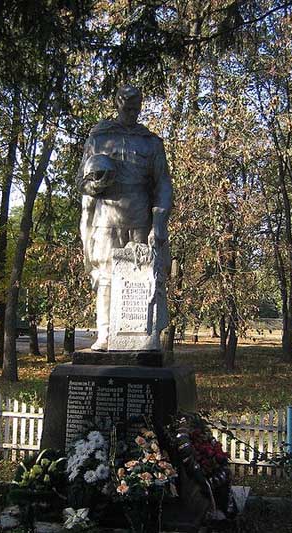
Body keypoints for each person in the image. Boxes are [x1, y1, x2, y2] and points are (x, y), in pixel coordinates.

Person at [76, 85, 172, 350]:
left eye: (136, 107)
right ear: (117, 103)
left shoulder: (150, 142)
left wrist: (160, 223)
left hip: (141, 216)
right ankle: (105, 334)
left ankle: (139, 337)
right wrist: (95, 184)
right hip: (106, 217)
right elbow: (81, 182)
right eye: (127, 106)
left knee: (142, 276)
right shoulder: (99, 138)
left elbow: (162, 183)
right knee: (105, 276)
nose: (131, 111)